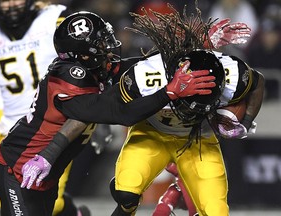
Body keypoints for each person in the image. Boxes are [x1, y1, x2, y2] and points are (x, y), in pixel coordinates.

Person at [0, 11, 217, 216]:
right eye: (100, 44)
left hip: (44, 172)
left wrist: (195, 45)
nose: (108, 47)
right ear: (83, 55)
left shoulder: (91, 68)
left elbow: (140, 66)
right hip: (17, 168)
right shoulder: (69, 79)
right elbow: (122, 113)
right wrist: (168, 93)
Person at [109, 3, 264, 216]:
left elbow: (257, 83)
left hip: (199, 139)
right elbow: (117, 106)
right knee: (126, 192)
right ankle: (136, 202)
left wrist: (244, 123)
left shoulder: (231, 73)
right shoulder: (148, 75)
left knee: (216, 210)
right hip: (153, 134)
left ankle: (176, 195)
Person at [0, 0, 96, 215]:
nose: (11, 5)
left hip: (52, 125)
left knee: (52, 203)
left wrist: (95, 110)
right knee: (11, 202)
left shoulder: (53, 18)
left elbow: (86, 58)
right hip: (13, 128)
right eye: (5, 0)